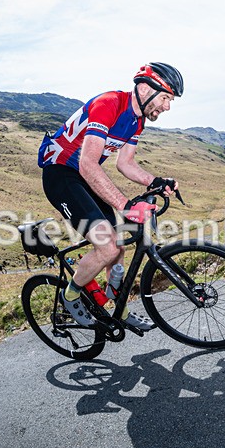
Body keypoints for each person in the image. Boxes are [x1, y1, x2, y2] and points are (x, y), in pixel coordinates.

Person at [38, 63, 183, 329]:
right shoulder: (109, 104)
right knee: (107, 245)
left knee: (118, 245)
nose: (167, 107)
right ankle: (70, 295)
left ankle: (119, 309)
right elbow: (88, 164)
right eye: (165, 98)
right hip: (60, 175)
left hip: (84, 178)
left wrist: (156, 181)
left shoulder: (136, 120)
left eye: (170, 100)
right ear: (144, 88)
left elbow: (124, 163)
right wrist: (125, 205)